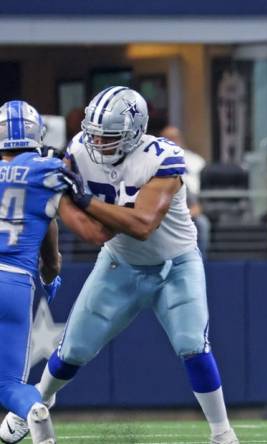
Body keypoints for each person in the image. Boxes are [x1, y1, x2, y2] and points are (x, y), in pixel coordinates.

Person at [0, 88, 239, 444]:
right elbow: (63, 207)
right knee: (72, 349)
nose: (97, 141)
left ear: (134, 132)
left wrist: (82, 197)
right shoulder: (80, 149)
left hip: (175, 263)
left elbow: (143, 225)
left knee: (193, 344)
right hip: (119, 261)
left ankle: (222, 433)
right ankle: (40, 399)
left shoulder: (162, 159)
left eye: (107, 136)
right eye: (93, 133)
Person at [0, 100, 111, 444]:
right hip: (15, 281)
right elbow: (53, 252)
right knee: (9, 385)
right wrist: (50, 274)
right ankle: (35, 409)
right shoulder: (47, 170)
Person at [159, 125, 211, 254]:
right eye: (167, 138)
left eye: (174, 138)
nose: (172, 141)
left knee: (202, 224)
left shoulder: (195, 161)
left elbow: (196, 206)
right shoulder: (152, 161)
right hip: (158, 212)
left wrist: (185, 214)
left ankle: (200, 262)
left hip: (186, 210)